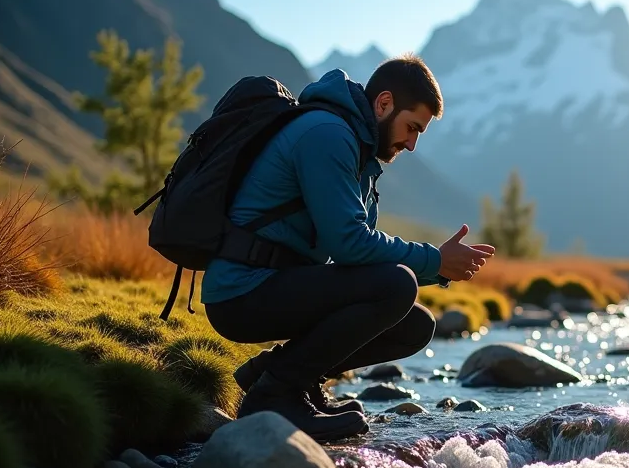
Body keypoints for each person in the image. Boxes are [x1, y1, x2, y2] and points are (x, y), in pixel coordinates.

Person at [199, 55, 494, 443]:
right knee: (396, 286)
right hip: (242, 291)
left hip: (279, 283)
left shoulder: (360, 152)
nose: (411, 142)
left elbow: (356, 258)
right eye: (411, 127)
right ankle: (275, 395)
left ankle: (284, 377)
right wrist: (435, 259)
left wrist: (438, 268)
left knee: (416, 326)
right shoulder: (327, 134)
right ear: (384, 103)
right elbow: (351, 245)